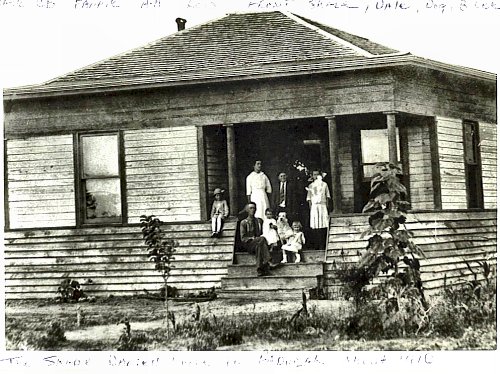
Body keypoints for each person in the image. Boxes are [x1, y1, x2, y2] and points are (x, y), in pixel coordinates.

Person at [239, 202, 276, 276]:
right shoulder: (244, 222)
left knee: (259, 245)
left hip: (260, 243)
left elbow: (264, 231)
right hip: (249, 245)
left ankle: (259, 269)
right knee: (261, 239)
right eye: (251, 208)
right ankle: (268, 260)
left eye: (254, 208)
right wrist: (251, 238)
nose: (253, 210)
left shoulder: (259, 221)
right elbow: (243, 238)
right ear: (247, 210)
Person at [306, 170, 331, 251]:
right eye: (314, 174)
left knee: (323, 225)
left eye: (317, 174)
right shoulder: (310, 186)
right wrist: (311, 209)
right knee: (315, 225)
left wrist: (326, 207)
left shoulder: (324, 185)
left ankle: (323, 245)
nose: (316, 176)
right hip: (314, 207)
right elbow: (309, 199)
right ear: (312, 176)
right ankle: (317, 245)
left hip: (322, 206)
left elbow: (327, 197)